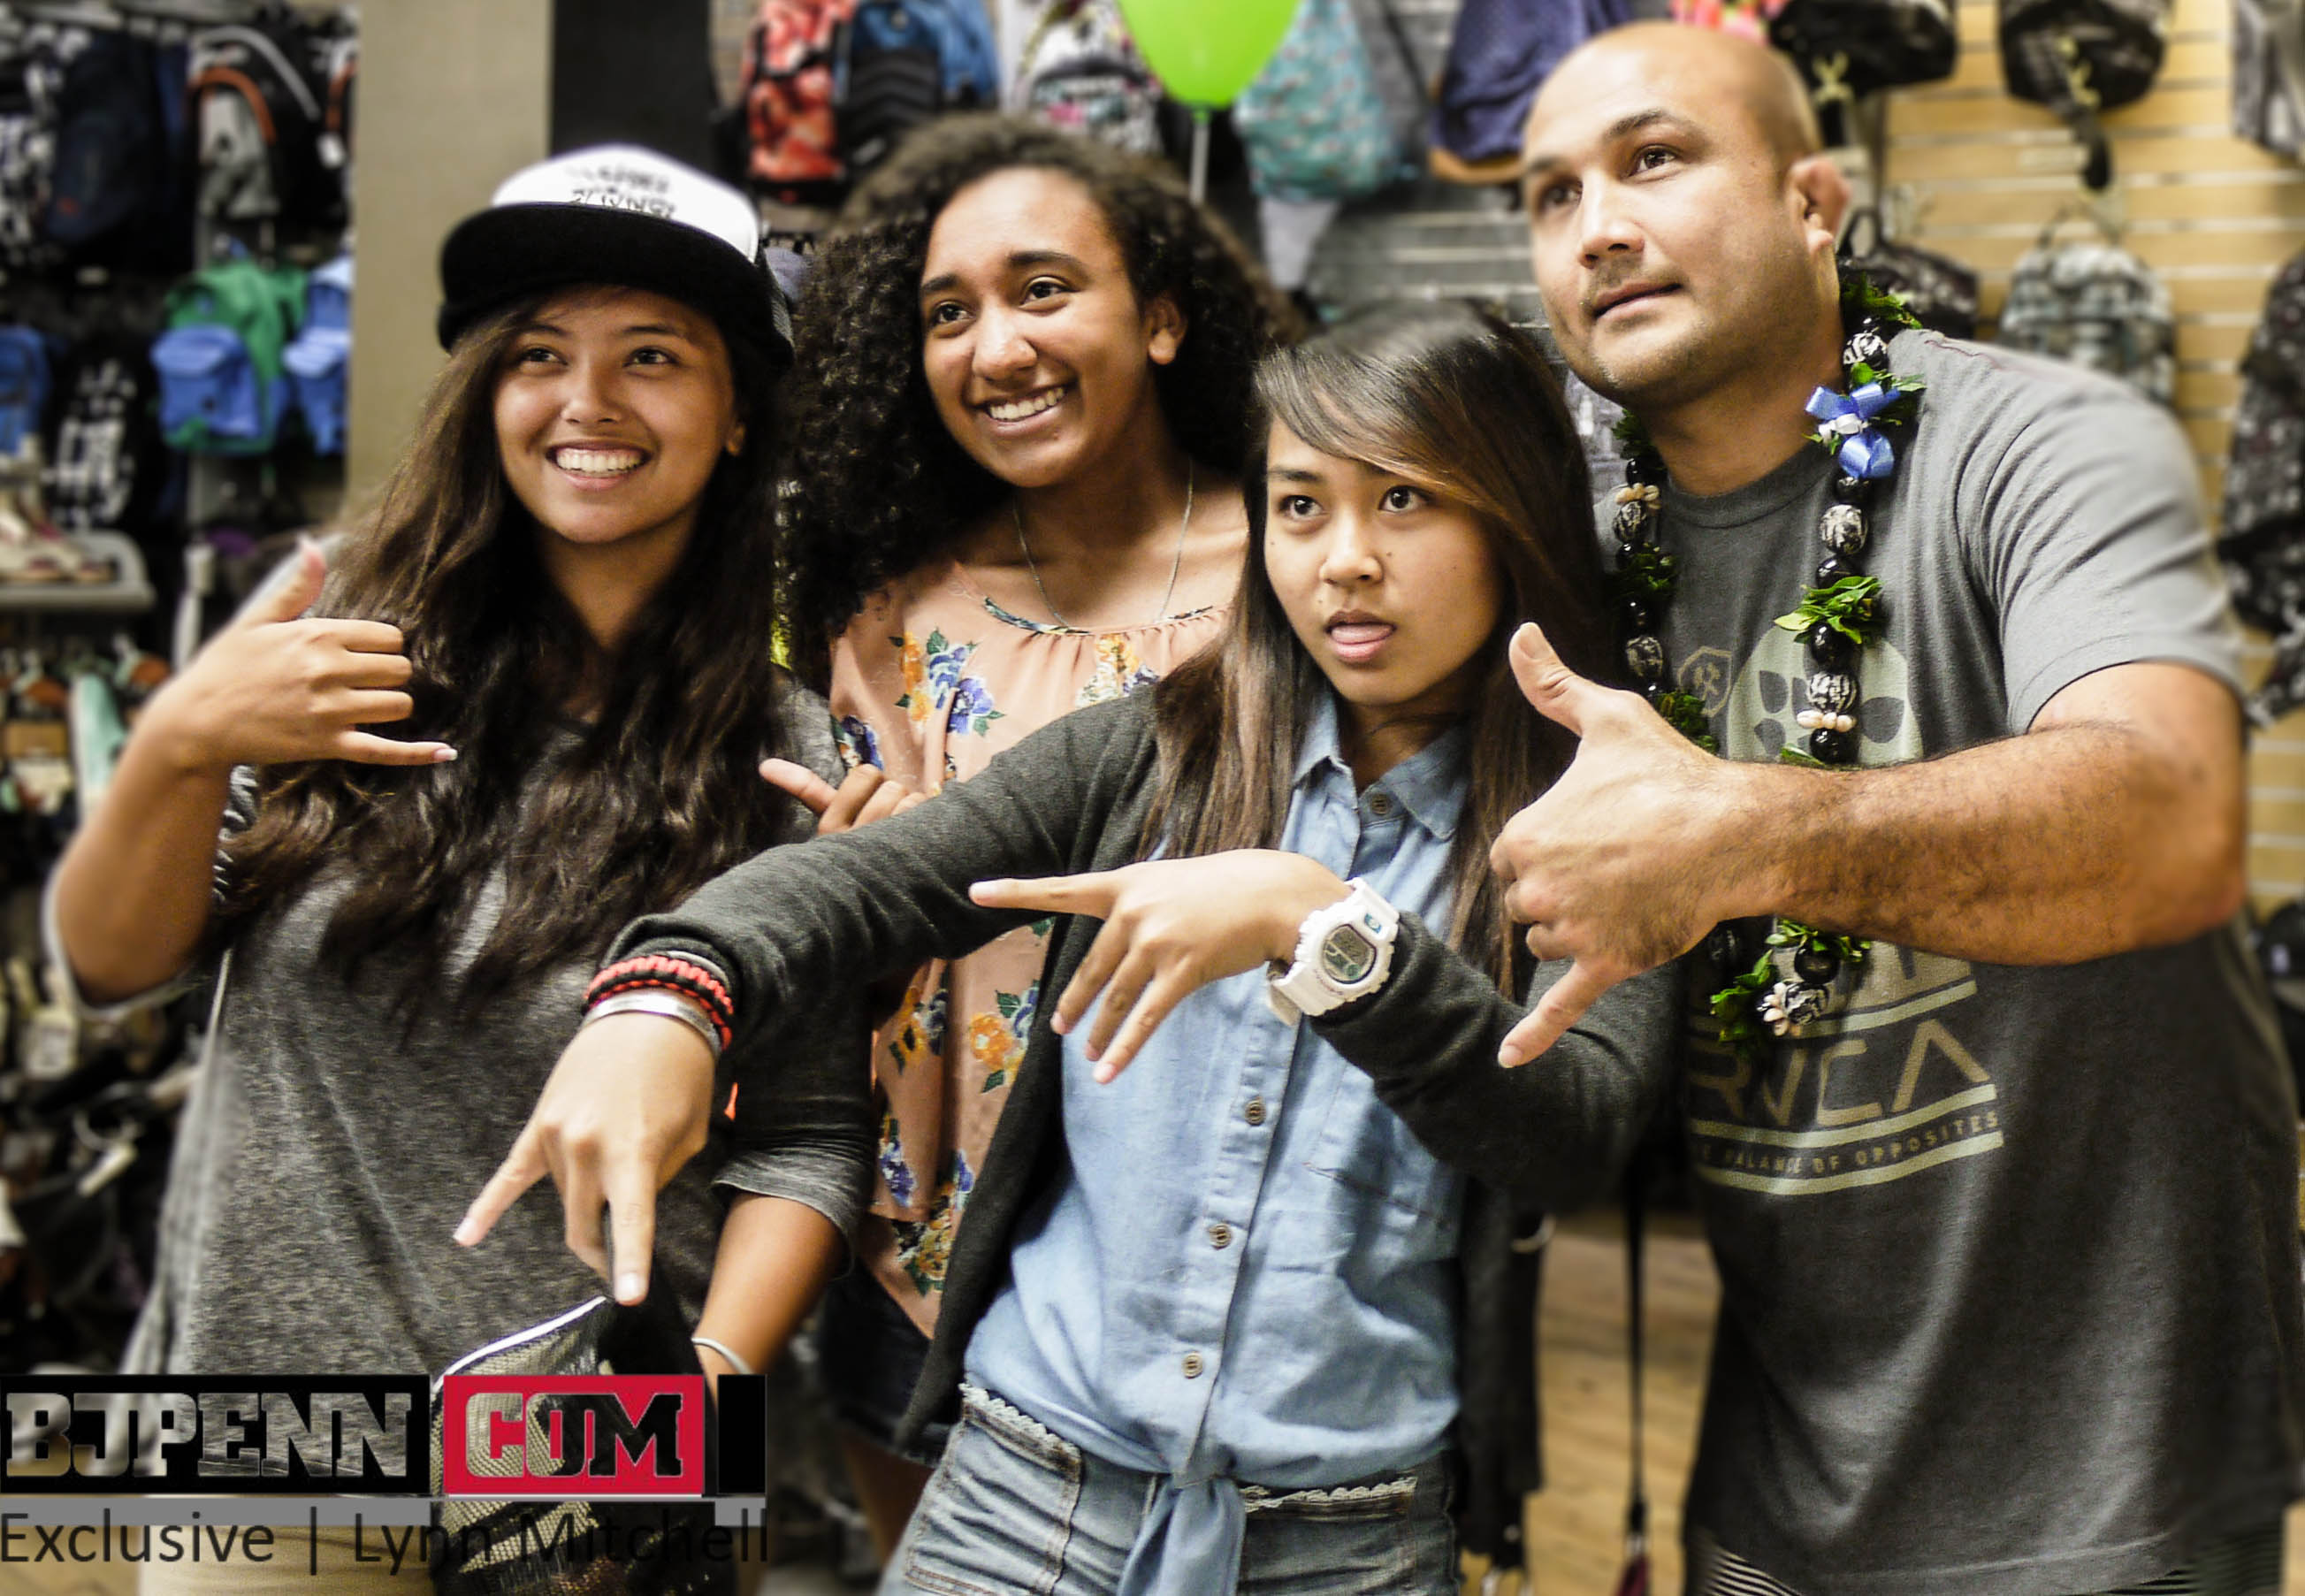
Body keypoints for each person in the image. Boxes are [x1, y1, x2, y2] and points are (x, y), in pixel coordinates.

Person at [462, 302, 1635, 1593]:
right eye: (1301, 506)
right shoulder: (1154, 755)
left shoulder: (1594, 820)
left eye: (1404, 500)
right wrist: (667, 995)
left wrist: (1330, 931)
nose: (1345, 560)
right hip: (1022, 1498)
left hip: (1349, 1540)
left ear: (1513, 515)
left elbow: (1575, 1136)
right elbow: (857, 888)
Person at [1485, 22, 2305, 1593]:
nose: (1596, 227)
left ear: (1814, 202)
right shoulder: (1575, 549)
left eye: (1653, 160)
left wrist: (1738, 834)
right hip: (1784, 1462)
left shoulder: (2046, 440)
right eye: (1551, 195)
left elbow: (2177, 819)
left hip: (2106, 1480)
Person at [49, 146, 869, 1586]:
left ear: (740, 410)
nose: (587, 401)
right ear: (489, 393)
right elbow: (112, 963)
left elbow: (805, 1140)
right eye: (538, 353)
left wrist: (702, 1406)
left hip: (599, 1456)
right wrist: (179, 739)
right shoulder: (335, 657)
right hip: (282, 1441)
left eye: (653, 355)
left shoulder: (787, 754)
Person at [754, 114, 1294, 1554]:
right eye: (948, 314)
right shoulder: (897, 616)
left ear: (1162, 319)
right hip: (933, 1268)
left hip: (1238, 1268)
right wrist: (857, 911)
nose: (995, 349)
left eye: (1043, 290)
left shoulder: (1301, 570)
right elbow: (856, 986)